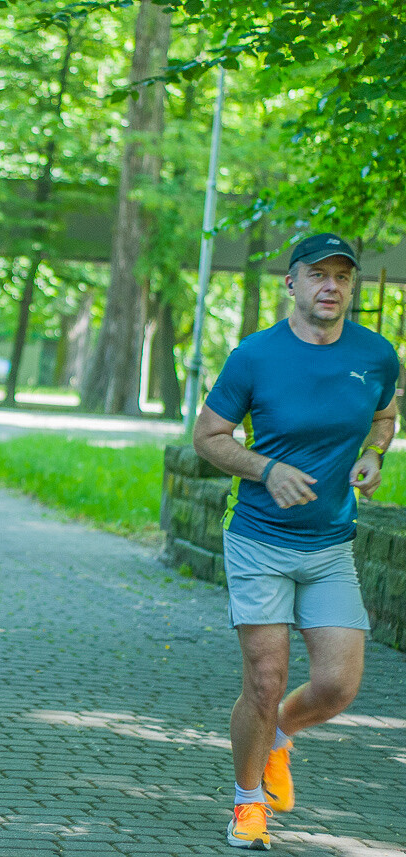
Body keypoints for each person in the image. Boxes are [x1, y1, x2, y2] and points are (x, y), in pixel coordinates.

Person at [192, 232, 399, 850]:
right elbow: (209, 437)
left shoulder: (378, 354)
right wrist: (265, 469)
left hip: (331, 542)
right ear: (292, 283)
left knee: (338, 684)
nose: (330, 286)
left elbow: (385, 413)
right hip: (258, 537)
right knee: (265, 678)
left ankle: (278, 736)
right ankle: (247, 802)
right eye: (317, 275)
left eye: (342, 276)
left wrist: (374, 452)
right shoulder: (254, 356)